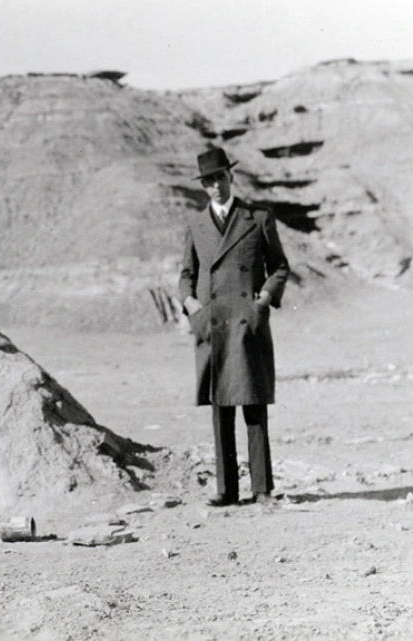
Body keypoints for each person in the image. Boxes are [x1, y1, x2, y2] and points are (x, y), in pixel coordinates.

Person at [177, 147, 290, 507]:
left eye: (220, 178)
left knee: (254, 407)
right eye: (208, 181)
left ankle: (262, 489)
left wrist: (263, 300)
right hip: (213, 325)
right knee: (220, 407)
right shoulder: (196, 225)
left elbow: (280, 266)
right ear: (203, 186)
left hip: (247, 324)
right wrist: (192, 306)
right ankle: (226, 491)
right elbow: (185, 276)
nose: (216, 186)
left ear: (231, 177)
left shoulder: (257, 218)